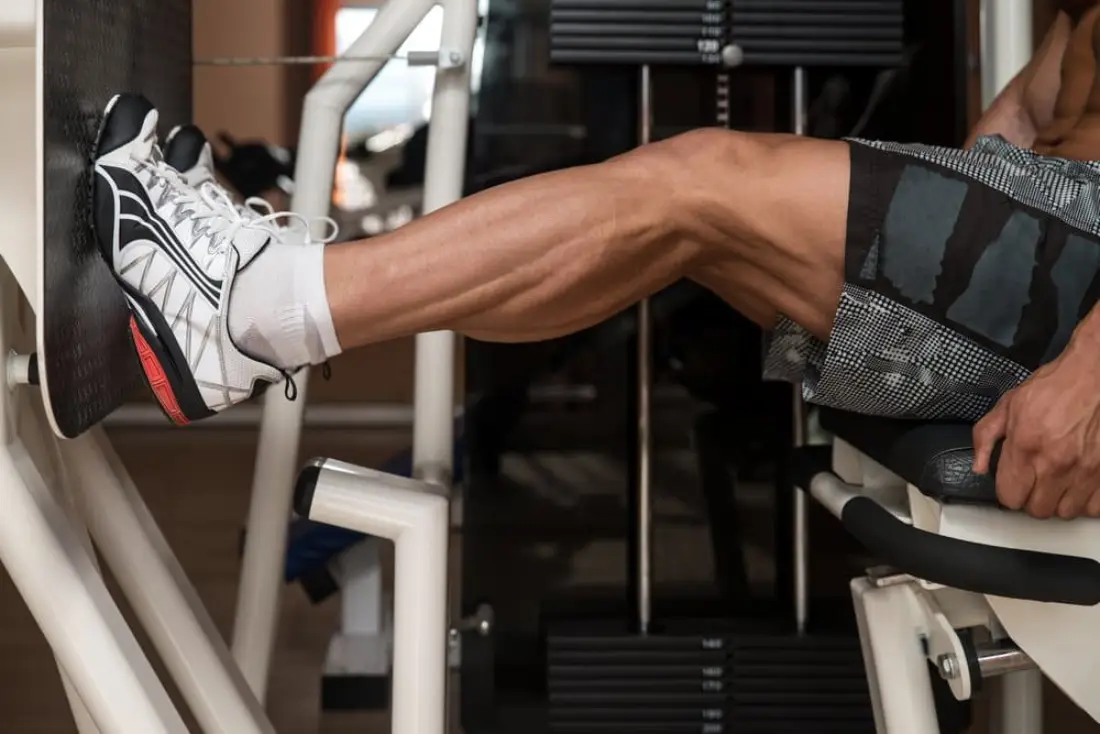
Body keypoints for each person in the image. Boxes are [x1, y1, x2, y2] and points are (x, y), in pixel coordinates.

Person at [92, 3, 1100, 520]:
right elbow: (1018, 129)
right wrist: (929, 235)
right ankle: (267, 311)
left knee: (697, 181)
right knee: (673, 227)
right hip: (1046, 244)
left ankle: (257, 307)